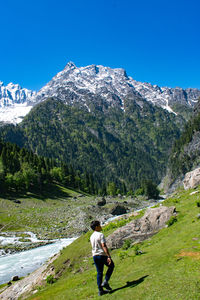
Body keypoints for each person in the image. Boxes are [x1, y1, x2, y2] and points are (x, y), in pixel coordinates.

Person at [90, 220, 115, 296]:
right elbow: (103, 245)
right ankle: (105, 281)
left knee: (99, 272)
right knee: (111, 266)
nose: (101, 226)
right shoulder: (100, 234)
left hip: (95, 256)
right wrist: (108, 256)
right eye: (99, 225)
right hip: (102, 255)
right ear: (96, 227)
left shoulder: (91, 236)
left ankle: (100, 291)